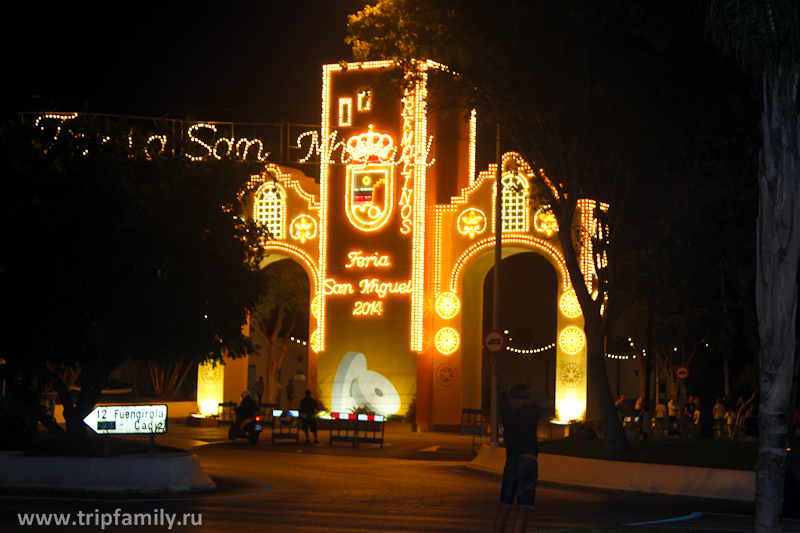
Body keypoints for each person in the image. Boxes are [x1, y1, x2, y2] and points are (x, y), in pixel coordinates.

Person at [494, 382, 552, 533]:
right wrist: (528, 402)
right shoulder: (529, 411)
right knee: (523, 509)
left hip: (510, 462)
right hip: (527, 462)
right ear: (526, 399)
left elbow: (505, 388)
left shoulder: (507, 410)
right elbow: (548, 403)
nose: (533, 396)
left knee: (504, 507)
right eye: (531, 394)